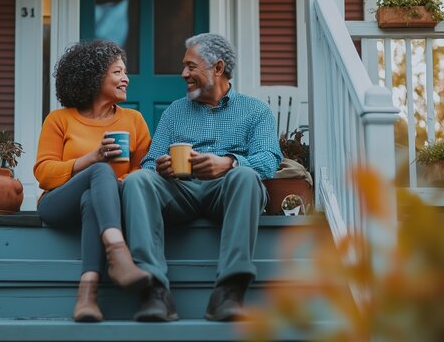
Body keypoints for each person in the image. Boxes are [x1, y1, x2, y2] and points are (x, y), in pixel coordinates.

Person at [122, 33, 282, 322]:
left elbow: (269, 159)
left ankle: (229, 291)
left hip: (227, 192)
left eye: (191, 66)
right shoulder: (174, 112)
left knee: (246, 177)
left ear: (217, 68)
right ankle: (154, 290)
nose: (184, 74)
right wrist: (161, 167)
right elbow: (147, 164)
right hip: (180, 192)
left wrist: (229, 163)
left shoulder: (255, 111)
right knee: (136, 181)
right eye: (184, 66)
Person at [33, 40, 152, 322]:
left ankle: (87, 296)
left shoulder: (134, 120)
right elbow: (43, 173)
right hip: (58, 202)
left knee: (93, 196)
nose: (126, 79)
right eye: (118, 72)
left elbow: (144, 169)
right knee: (100, 171)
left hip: (107, 202)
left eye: (125, 73)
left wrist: (116, 185)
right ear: (95, 76)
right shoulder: (59, 119)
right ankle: (118, 254)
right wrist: (92, 158)